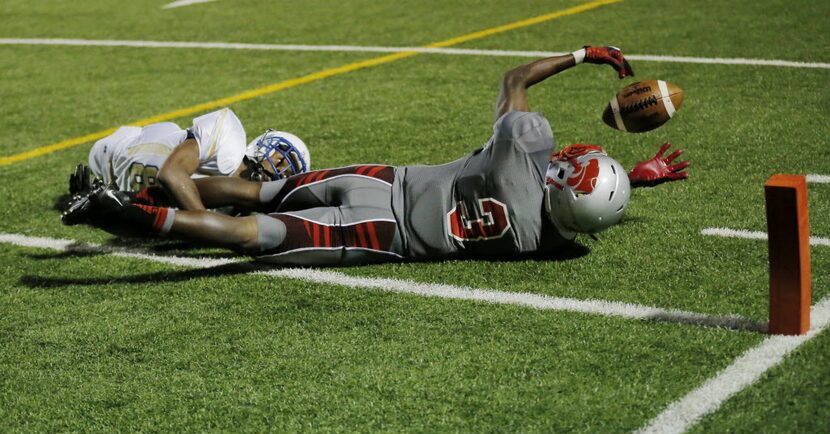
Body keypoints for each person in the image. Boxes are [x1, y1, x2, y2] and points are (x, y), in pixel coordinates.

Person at [62, 46, 688, 266]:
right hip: (385, 234)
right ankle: (128, 212)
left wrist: (583, 55)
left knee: (252, 197)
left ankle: (146, 197)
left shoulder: (520, 154)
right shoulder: (539, 238)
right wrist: (634, 180)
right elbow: (570, 206)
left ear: (559, 179)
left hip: (377, 182)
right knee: (249, 235)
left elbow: (515, 78)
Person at [69, 107, 312, 211]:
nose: (281, 171)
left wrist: (100, 207)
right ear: (262, 144)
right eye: (282, 158)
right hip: (115, 150)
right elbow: (171, 174)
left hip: (122, 180)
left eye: (291, 173)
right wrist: (203, 222)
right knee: (166, 132)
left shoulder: (235, 210)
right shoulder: (229, 136)